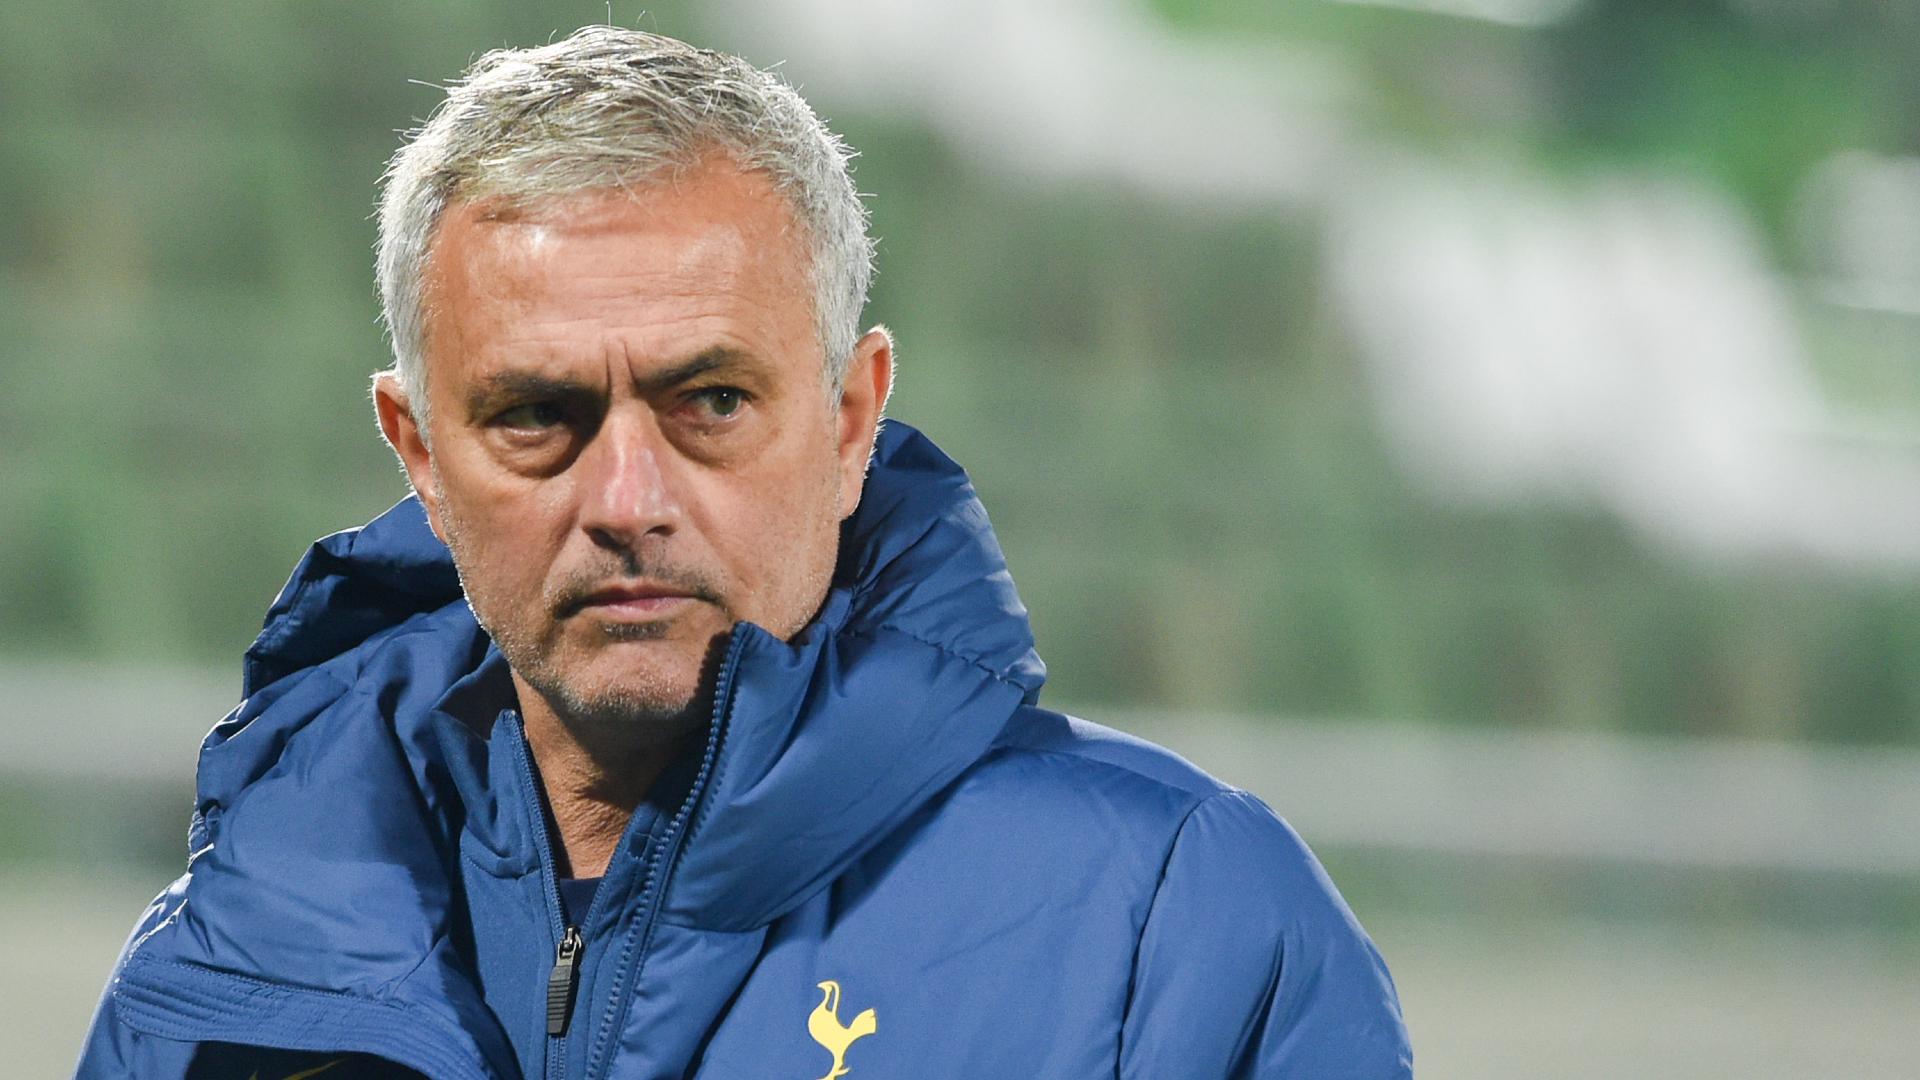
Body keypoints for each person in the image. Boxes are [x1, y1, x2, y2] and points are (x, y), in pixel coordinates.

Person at [76, 26, 1411, 1080]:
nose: (628, 499)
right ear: (418, 452)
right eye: (536, 415)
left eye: (710, 400)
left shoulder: (1176, 925)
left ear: (851, 421)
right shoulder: (222, 972)